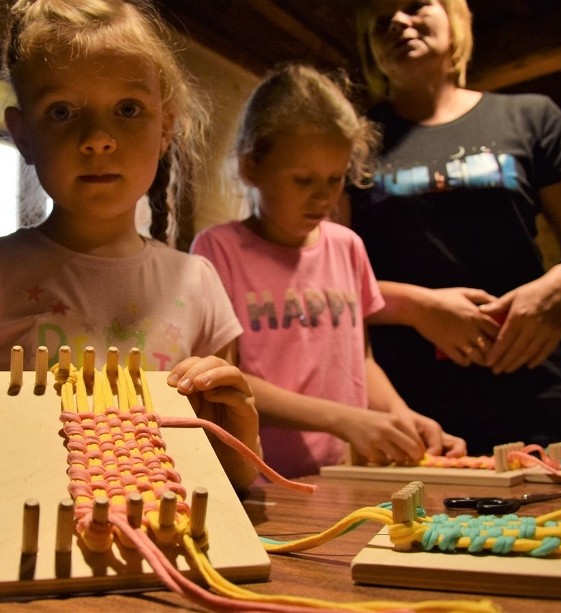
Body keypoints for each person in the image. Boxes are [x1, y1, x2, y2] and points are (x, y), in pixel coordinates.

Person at [0, 0, 261, 498]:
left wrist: (242, 430)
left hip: (162, 538)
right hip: (21, 548)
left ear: (166, 128)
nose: (97, 139)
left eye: (128, 109)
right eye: (62, 111)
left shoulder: (198, 282)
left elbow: (230, 476)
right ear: (23, 134)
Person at [191, 62, 466, 479]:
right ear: (251, 168)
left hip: (341, 474)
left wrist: (399, 415)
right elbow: (227, 381)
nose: (323, 198)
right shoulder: (218, 250)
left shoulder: (347, 246)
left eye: (335, 179)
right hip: (260, 477)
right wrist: (343, 419)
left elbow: (361, 359)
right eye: (302, 180)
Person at [345, 0, 561, 454]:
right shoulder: (353, 140)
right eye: (380, 20)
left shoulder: (533, 117)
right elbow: (328, 278)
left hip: (527, 382)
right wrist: (419, 307)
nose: (398, 21)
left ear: (456, 17)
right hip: (405, 399)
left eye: (416, 5)